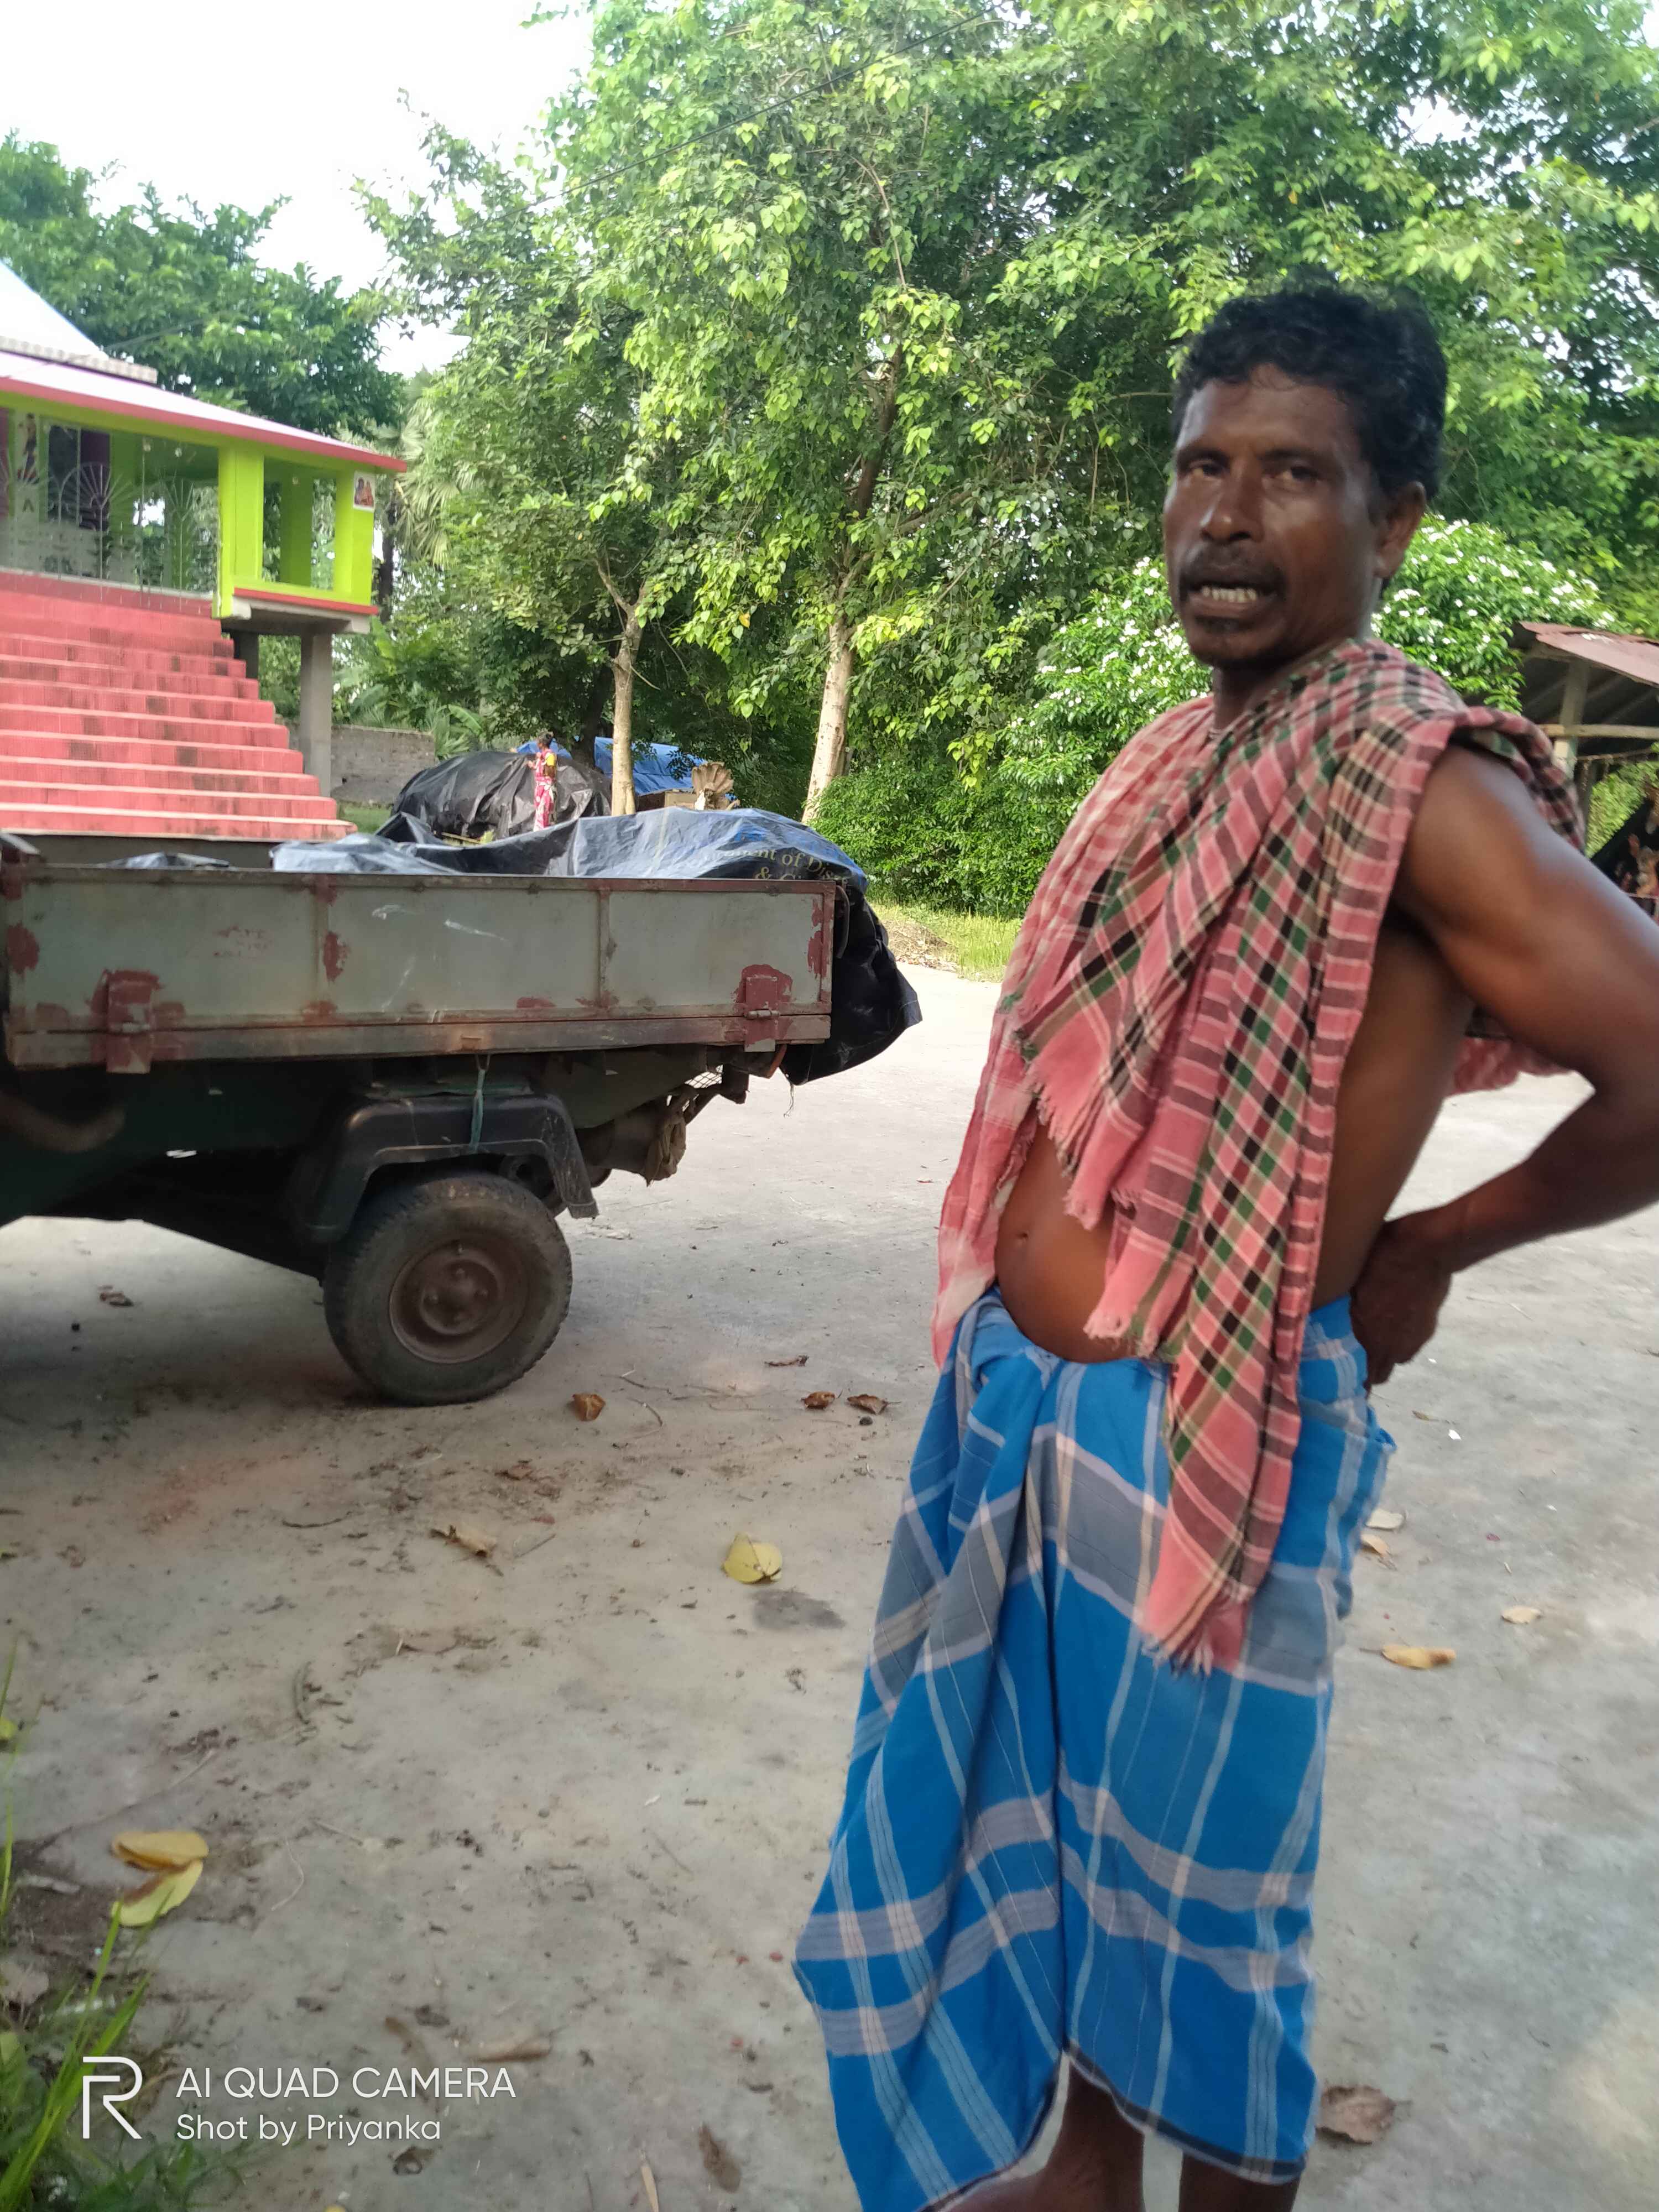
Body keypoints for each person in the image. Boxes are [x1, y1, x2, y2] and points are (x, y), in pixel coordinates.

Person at [794, 285, 1659, 2211]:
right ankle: (1086, 2170)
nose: (1225, 515)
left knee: (1203, 1902)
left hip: (1214, 1428)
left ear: (1395, 517)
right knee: (1061, 1835)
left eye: (1290, 474)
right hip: (1031, 1410)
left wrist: (1435, 1246)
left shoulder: (1421, 784)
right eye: (1201, 467)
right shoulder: (1180, 753)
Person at [531, 733, 559, 831]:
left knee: (543, 814)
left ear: (542, 743)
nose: (536, 743)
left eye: (538, 741)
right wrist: (534, 766)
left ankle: (541, 835)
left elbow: (551, 772)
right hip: (539, 789)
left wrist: (542, 759)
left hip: (547, 789)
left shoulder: (549, 755)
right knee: (540, 813)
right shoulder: (541, 756)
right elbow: (540, 770)